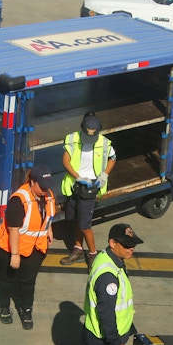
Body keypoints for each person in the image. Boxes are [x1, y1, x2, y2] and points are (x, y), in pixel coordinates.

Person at [0, 164, 56, 329]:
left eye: (47, 187)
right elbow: (14, 229)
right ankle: (3, 306)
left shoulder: (48, 195)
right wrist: (15, 254)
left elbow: (47, 214)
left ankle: (26, 309)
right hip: (11, 249)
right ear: (32, 182)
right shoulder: (19, 199)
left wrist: (49, 229)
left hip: (36, 248)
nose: (45, 190)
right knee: (7, 280)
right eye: (42, 186)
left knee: (28, 282)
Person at [60, 113, 117, 266]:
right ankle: (78, 249)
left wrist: (105, 174)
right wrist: (77, 177)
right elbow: (66, 160)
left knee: (85, 225)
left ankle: (93, 255)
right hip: (75, 185)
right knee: (75, 220)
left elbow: (113, 158)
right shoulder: (73, 139)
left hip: (90, 187)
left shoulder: (104, 143)